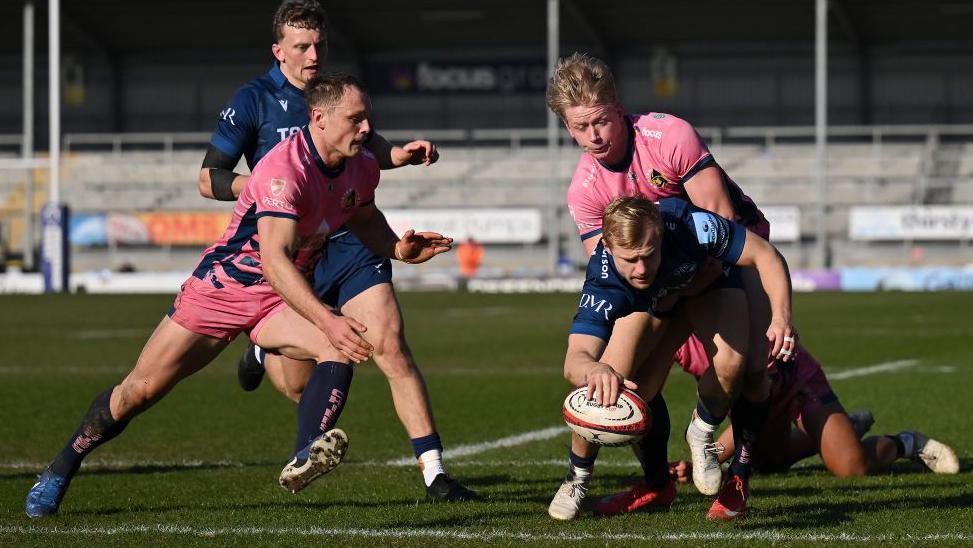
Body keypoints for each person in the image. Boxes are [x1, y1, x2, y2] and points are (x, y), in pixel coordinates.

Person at [25, 73, 451, 518]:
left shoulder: (362, 164)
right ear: (319, 119)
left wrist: (398, 248)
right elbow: (275, 262)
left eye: (368, 119)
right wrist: (327, 317)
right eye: (357, 119)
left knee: (341, 346)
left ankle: (306, 453)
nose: (367, 130)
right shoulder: (284, 172)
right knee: (137, 393)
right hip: (223, 291)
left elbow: (362, 217)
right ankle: (61, 466)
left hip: (277, 299)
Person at [198, 0, 476, 501]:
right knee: (302, 386)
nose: (312, 54)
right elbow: (207, 178)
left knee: (389, 344)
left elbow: (366, 149)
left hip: (350, 235)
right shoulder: (254, 99)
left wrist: (400, 155)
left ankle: (435, 473)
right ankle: (265, 346)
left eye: (319, 44)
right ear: (278, 50)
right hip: (288, 248)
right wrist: (270, 189)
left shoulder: (343, 97)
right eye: (301, 46)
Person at [547, 52, 798, 520]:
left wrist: (773, 314)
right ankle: (587, 476)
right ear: (565, 124)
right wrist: (640, 329)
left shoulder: (668, 137)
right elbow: (616, 271)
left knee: (750, 368)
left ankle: (721, 459)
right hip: (658, 279)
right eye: (579, 127)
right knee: (610, 381)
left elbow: (723, 222)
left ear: (617, 105)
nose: (594, 137)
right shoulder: (584, 190)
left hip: (718, 261)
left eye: (600, 121)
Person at [547, 195, 796, 521]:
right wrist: (596, 369)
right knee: (606, 387)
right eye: (630, 259)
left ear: (661, 235)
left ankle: (702, 432)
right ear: (607, 246)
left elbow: (766, 254)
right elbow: (575, 359)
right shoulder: (603, 279)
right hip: (655, 305)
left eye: (649, 256)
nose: (640, 268)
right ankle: (577, 476)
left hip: (705, 285)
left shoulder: (690, 225)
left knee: (734, 365)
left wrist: (781, 317)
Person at [667, 338, 960, 478]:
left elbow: (755, 407)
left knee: (851, 467)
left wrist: (707, 458)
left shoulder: (739, 316)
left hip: (793, 385)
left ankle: (908, 443)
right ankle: (841, 428)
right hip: (753, 405)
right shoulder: (675, 327)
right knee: (769, 463)